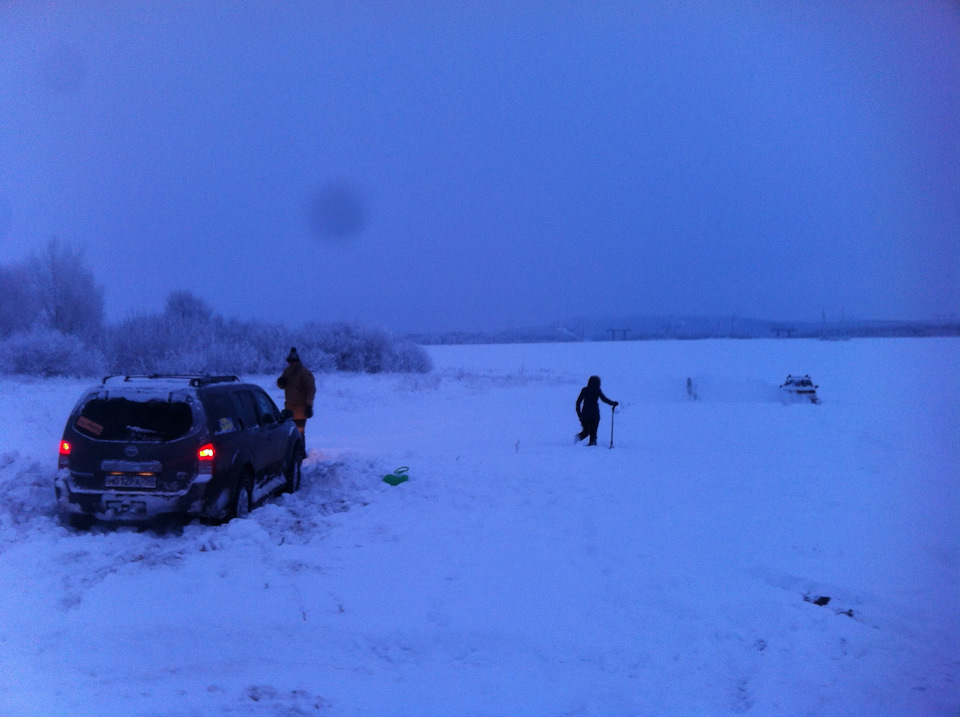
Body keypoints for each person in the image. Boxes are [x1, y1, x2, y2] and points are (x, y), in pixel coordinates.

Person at [277, 347, 316, 444]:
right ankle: (295, 453)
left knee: (299, 432)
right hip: (289, 409)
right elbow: (282, 386)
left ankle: (300, 452)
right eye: (290, 362)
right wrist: (280, 382)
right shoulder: (287, 371)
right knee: (291, 433)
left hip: (301, 409)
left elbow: (311, 389)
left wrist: (309, 405)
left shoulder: (304, 373)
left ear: (297, 362)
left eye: (293, 362)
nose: (291, 364)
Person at [576, 375, 618, 446]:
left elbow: (578, 402)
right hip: (595, 414)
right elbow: (604, 399)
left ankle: (576, 439)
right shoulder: (597, 390)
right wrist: (613, 403)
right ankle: (592, 446)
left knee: (586, 431)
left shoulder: (584, 390)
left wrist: (579, 414)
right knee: (593, 432)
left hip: (585, 414)